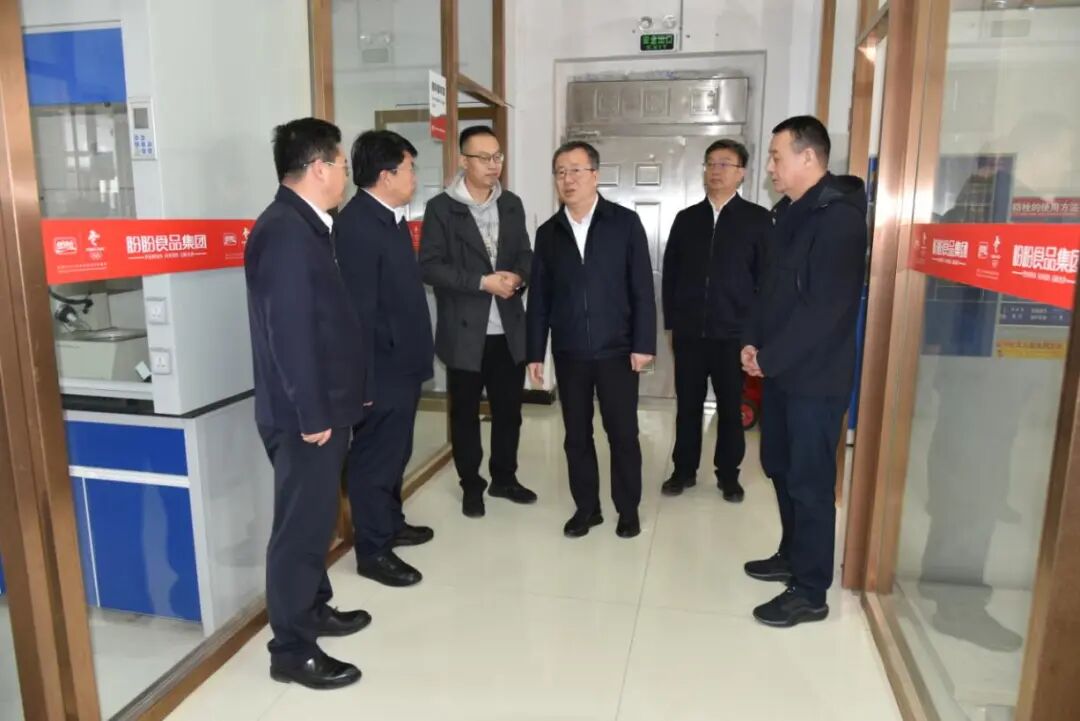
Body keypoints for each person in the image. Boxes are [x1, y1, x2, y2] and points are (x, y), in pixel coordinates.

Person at [245, 117, 370, 689]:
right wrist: (314, 412)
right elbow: (289, 333)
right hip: (304, 417)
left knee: (316, 520)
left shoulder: (306, 225)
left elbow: (325, 324)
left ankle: (314, 608)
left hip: (321, 408)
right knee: (300, 532)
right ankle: (292, 650)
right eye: (342, 163)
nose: (345, 173)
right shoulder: (285, 232)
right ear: (319, 167)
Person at [741, 115, 867, 627]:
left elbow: (825, 310)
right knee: (780, 466)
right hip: (781, 373)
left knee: (811, 484)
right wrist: (752, 341)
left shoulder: (839, 220)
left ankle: (811, 591)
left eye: (777, 157)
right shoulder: (788, 214)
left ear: (808, 157)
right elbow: (768, 290)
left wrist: (769, 358)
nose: (770, 167)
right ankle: (792, 555)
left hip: (815, 379)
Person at [526, 140, 656, 539]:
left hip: (617, 349)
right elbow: (540, 298)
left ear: (595, 175)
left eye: (576, 170)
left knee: (623, 434)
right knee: (576, 436)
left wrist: (643, 343)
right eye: (560, 172)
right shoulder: (549, 233)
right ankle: (587, 508)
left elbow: (642, 289)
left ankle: (627, 509)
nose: (567, 179)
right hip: (570, 352)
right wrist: (535, 352)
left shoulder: (624, 223)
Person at [419, 126, 537, 518]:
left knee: (509, 412)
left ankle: (505, 477)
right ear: (462, 161)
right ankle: (472, 484)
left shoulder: (512, 204)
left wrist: (518, 278)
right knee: (465, 414)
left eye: (497, 156)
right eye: (484, 158)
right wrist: (482, 282)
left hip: (507, 330)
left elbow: (525, 254)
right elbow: (430, 267)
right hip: (464, 332)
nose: (493, 165)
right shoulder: (441, 208)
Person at [336, 130, 435, 588]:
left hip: (403, 364)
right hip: (381, 370)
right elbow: (357, 315)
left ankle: (391, 523)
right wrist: (365, 384)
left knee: (397, 452)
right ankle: (373, 551)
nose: (414, 176)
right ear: (386, 174)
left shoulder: (390, 220)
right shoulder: (357, 226)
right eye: (410, 167)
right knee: (374, 460)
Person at [661, 138, 771, 501]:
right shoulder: (687, 219)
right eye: (711, 163)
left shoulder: (757, 220)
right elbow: (671, 274)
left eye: (725, 164)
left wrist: (755, 334)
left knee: (730, 408)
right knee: (688, 407)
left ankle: (728, 475)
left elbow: (766, 282)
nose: (716, 171)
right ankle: (683, 471)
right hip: (691, 333)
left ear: (741, 173)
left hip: (734, 335)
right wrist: (673, 324)